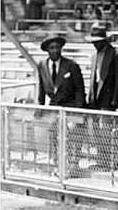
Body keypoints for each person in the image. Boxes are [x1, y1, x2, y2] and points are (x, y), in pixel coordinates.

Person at [36, 35, 87, 176]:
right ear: (47, 50)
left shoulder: (71, 65)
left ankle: (73, 166)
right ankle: (58, 166)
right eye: (51, 48)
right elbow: (41, 88)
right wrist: (40, 108)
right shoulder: (42, 66)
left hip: (70, 106)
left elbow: (79, 89)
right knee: (55, 137)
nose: (55, 50)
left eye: (57, 47)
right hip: (54, 107)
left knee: (72, 137)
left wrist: (78, 111)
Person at [85, 25, 118, 169]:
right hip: (95, 99)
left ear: (105, 40)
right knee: (97, 132)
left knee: (109, 132)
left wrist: (116, 99)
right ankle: (102, 159)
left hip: (109, 98)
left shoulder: (116, 53)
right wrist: (90, 98)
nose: (95, 44)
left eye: (98, 41)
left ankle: (112, 160)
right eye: (93, 42)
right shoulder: (94, 56)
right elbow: (93, 78)